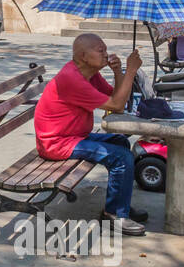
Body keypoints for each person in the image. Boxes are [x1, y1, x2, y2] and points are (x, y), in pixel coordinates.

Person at [34, 34, 147, 235]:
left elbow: (116, 99)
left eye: (105, 49)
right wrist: (130, 71)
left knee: (120, 143)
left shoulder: (89, 73)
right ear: (84, 56)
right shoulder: (71, 78)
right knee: (121, 157)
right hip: (56, 143)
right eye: (100, 50)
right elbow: (117, 104)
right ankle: (115, 216)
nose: (106, 54)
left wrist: (118, 72)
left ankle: (120, 207)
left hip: (74, 136)